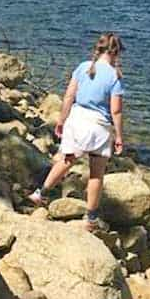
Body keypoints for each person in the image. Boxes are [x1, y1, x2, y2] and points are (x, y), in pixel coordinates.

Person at [28, 32, 126, 231]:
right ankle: (90, 218)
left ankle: (40, 193)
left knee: (66, 159)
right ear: (115, 53)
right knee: (96, 174)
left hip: (77, 119)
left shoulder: (83, 67)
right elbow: (116, 110)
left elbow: (68, 96)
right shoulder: (115, 76)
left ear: (98, 49)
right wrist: (119, 136)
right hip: (99, 126)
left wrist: (62, 121)